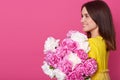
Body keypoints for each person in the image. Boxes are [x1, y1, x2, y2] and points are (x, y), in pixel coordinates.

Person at [81, 0, 116, 80]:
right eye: (82, 16)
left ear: (98, 17)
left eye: (86, 16)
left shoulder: (89, 43)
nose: (82, 20)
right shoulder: (104, 41)